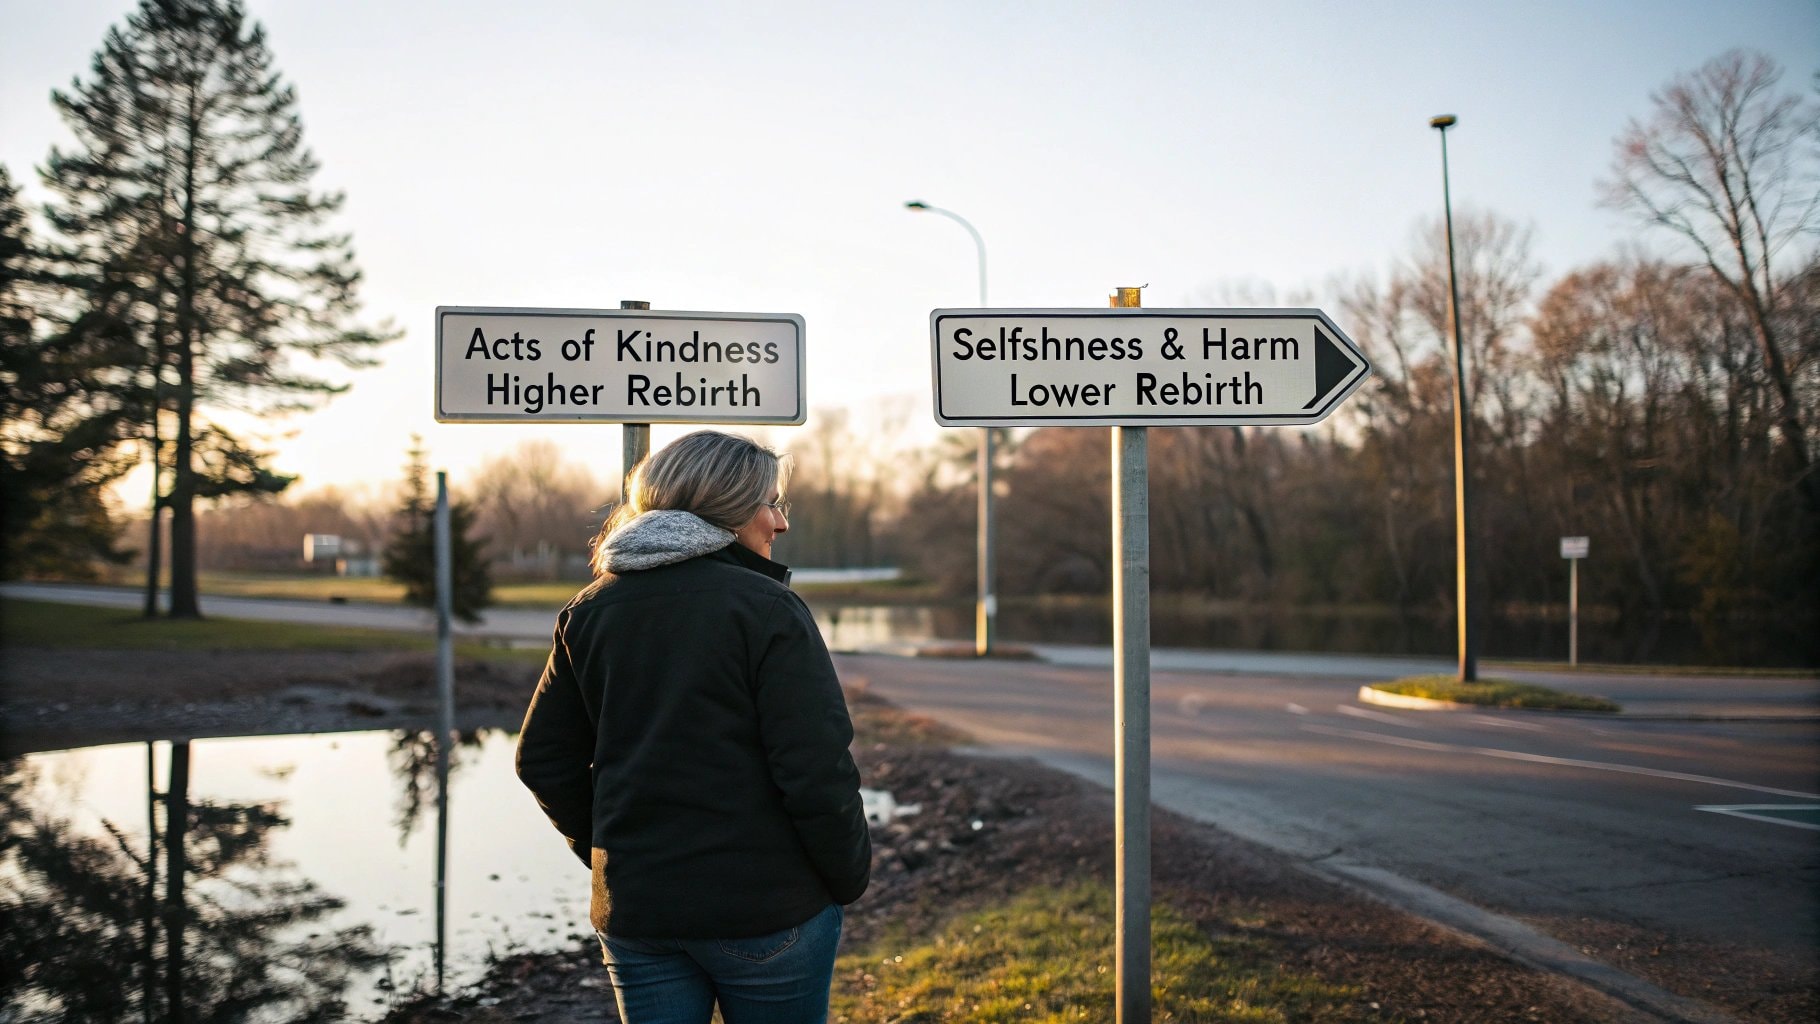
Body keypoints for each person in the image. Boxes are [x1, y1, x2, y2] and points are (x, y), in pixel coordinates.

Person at [516, 429, 870, 1024]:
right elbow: (816, 768)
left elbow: (543, 762)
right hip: (765, 910)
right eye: (772, 504)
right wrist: (847, 877)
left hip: (638, 912)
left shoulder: (590, 610)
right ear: (728, 511)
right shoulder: (766, 609)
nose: (779, 524)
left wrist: (611, 856)